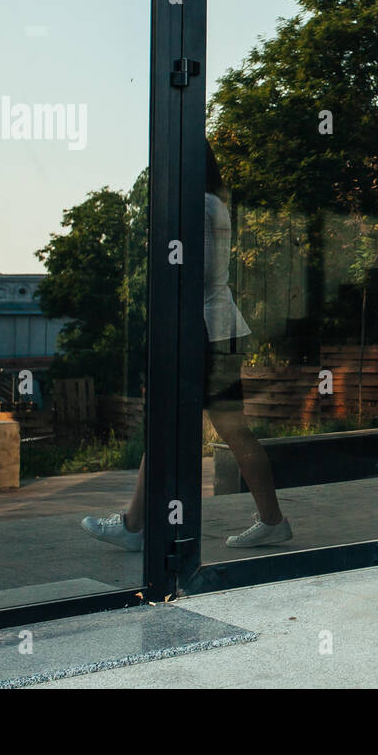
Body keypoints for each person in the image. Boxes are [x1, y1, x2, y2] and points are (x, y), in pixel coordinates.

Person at [81, 145, 292, 552]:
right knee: (231, 430)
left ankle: (134, 524)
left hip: (202, 331)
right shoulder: (214, 203)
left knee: (167, 425)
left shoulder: (197, 205)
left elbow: (191, 274)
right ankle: (272, 520)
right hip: (219, 329)